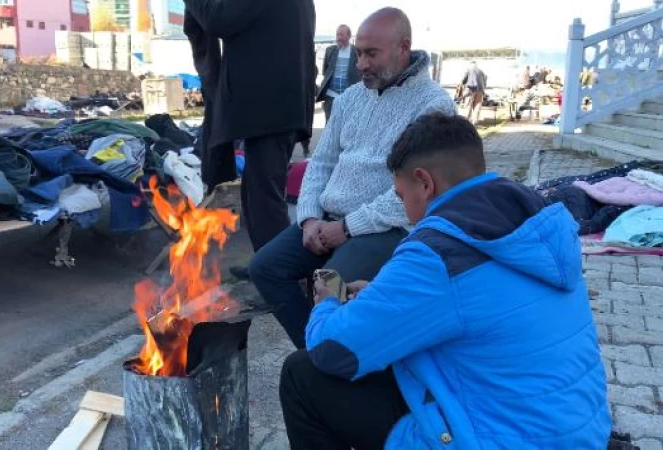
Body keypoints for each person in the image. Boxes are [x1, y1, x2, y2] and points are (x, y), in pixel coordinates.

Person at [279, 113, 611, 449]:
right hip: (577, 431)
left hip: (495, 438)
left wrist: (327, 304)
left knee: (302, 374)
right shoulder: (536, 223)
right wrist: (379, 302)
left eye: (400, 195)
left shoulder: (438, 254)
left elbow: (332, 350)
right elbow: (472, 306)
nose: (405, 209)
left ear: (425, 183)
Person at [249, 7, 455, 349]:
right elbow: (321, 163)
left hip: (387, 228)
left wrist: (347, 228)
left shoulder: (433, 105)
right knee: (264, 268)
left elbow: (413, 192)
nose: (360, 65)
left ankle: (343, 354)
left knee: (331, 285)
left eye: (371, 54)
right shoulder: (350, 99)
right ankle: (316, 352)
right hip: (329, 221)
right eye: (359, 53)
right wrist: (310, 219)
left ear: (403, 48)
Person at [183, 0, 316, 270]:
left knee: (264, 200)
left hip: (269, 112)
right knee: (258, 195)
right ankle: (266, 263)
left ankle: (279, 274)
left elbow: (219, 19)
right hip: (279, 109)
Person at [316, 25, 361, 122]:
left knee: (347, 126)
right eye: (337, 34)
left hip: (349, 98)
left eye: (341, 34)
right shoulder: (330, 50)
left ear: (349, 36)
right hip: (331, 97)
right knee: (329, 128)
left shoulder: (357, 51)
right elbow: (325, 71)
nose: (338, 38)